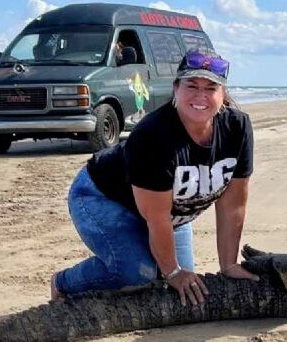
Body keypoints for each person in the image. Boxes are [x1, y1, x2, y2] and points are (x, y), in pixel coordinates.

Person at [52, 48, 258, 306]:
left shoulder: (237, 128)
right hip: (103, 197)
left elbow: (233, 205)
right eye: (191, 86)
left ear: (223, 93)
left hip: (172, 214)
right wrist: (172, 271)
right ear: (176, 88)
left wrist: (228, 265)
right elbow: (156, 217)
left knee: (182, 290)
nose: (200, 96)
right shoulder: (152, 135)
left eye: (210, 88)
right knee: (138, 274)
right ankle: (64, 283)